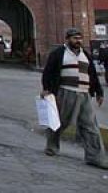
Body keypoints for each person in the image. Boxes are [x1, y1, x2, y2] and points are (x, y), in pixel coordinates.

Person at [41, 27, 108, 168]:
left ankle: (95, 157)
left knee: (90, 126)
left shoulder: (86, 55)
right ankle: (52, 147)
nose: (78, 41)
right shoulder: (59, 54)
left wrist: (99, 92)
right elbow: (48, 72)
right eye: (75, 38)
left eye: (80, 38)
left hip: (84, 94)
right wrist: (46, 89)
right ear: (67, 39)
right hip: (65, 92)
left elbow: (93, 75)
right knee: (59, 122)